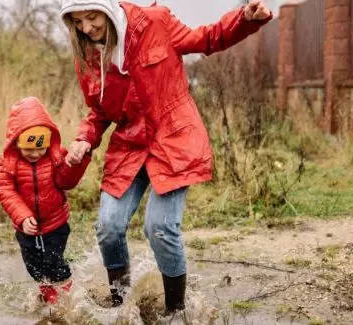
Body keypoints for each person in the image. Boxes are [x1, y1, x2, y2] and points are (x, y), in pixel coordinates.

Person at [59, 0, 272, 317]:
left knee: (159, 227)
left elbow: (207, 38)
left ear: (108, 8)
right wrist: (83, 139)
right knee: (108, 226)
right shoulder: (88, 55)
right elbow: (99, 112)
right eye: (78, 22)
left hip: (173, 138)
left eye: (92, 17)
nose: (87, 28)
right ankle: (121, 304)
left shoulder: (154, 23)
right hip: (130, 144)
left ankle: (176, 311)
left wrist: (244, 19)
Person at [0, 97, 91, 304]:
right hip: (26, 228)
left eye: (40, 148)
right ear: (16, 142)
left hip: (55, 224)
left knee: (54, 262)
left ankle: (67, 296)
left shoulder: (56, 156)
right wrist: (22, 216)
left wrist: (76, 164)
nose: (35, 154)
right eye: (29, 149)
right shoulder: (9, 163)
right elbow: (4, 189)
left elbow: (66, 181)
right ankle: (49, 295)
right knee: (34, 266)